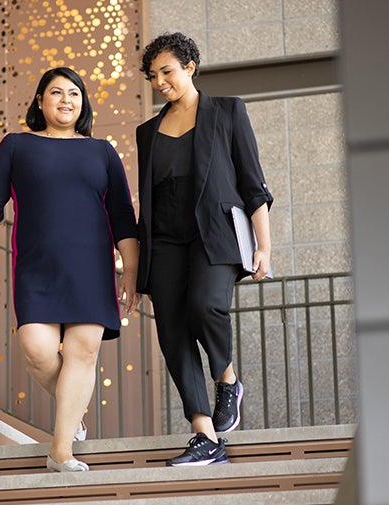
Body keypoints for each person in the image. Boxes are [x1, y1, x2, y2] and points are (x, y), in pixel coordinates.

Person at [0, 67, 140, 473]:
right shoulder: (17, 146)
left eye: (74, 93)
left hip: (91, 265)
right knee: (37, 351)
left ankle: (60, 451)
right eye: (56, 92)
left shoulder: (102, 151)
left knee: (82, 353)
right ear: (40, 101)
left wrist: (131, 271)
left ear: (83, 103)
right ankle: (73, 417)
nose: (66, 100)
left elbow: (123, 215)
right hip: (38, 265)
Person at [135, 33, 273, 466]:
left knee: (206, 306)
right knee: (172, 332)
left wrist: (264, 246)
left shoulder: (229, 111)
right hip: (165, 238)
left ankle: (227, 379)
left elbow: (253, 185)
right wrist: (137, 267)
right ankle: (204, 435)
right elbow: (147, 198)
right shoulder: (147, 133)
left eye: (167, 72)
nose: (160, 82)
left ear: (190, 66)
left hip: (214, 233)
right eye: (153, 76)